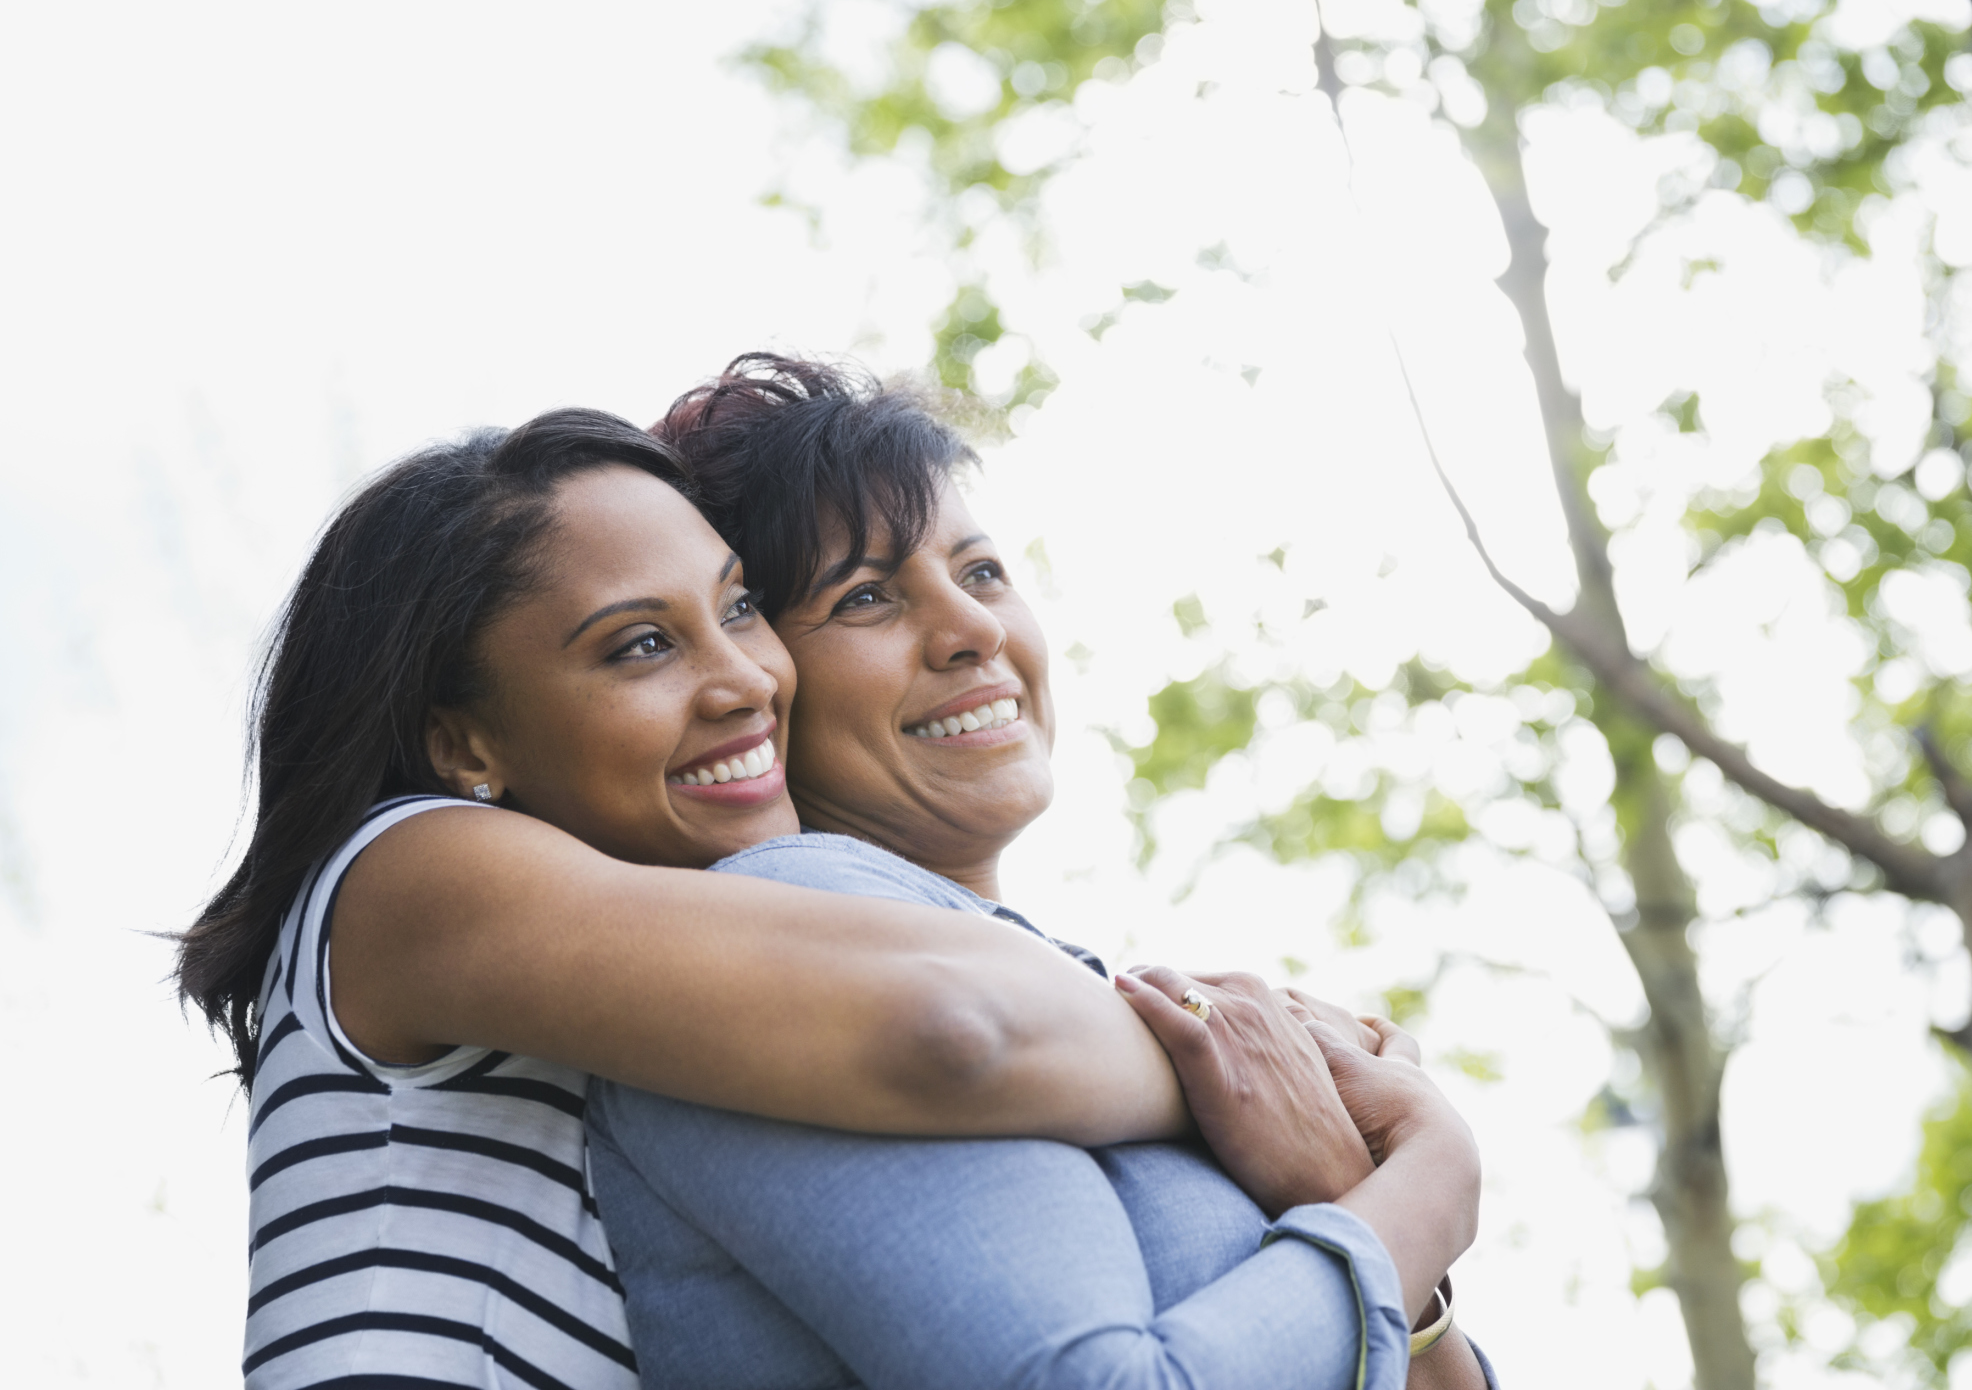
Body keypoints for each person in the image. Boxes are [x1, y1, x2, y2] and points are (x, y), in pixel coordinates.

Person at [179, 410, 1262, 1388]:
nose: (747, 678)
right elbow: (949, 1025)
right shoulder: (409, 871)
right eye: (641, 643)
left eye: (738, 607)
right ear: (463, 740)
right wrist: (1254, 1080)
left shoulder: (623, 971)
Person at [583, 356, 1493, 1389]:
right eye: (867, 596)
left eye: (980, 573)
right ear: (754, 672)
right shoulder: (778, 943)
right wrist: (1429, 1185)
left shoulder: (1044, 979)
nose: (974, 630)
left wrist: (1344, 1197)